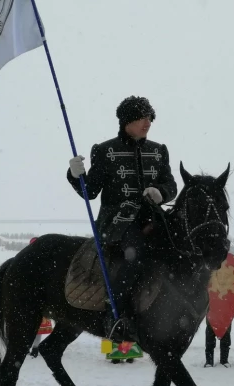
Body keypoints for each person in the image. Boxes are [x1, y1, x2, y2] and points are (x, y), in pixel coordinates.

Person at [67, 96, 177, 340]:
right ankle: (114, 315)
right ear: (127, 121)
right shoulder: (105, 150)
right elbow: (91, 191)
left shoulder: (158, 151)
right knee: (134, 255)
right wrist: (76, 176)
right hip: (118, 223)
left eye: (150, 118)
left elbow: (170, 183)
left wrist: (161, 192)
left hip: (154, 219)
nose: (147, 123)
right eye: (142, 118)